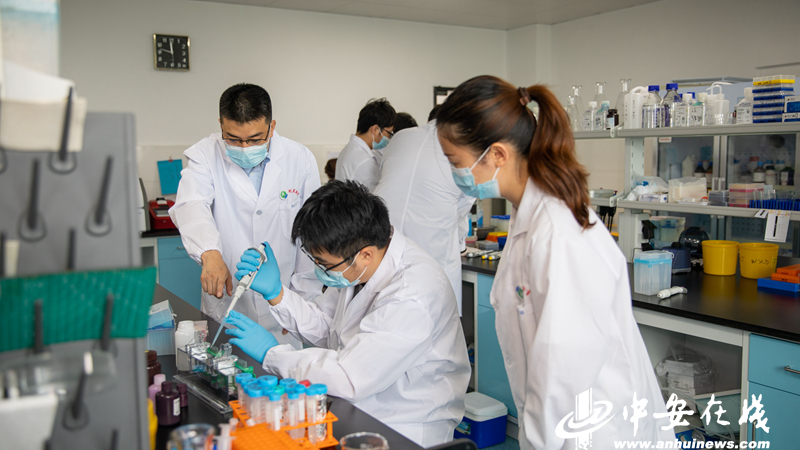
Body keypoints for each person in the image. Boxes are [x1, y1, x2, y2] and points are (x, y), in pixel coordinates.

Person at [436, 76, 675, 449]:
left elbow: (564, 376)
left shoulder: (559, 234)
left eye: (456, 162)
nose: (456, 174)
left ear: (497, 155)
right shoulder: (529, 217)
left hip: (599, 432)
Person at [223, 180, 470, 447]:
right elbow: (329, 328)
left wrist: (273, 354)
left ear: (365, 255)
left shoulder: (412, 294)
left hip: (405, 424)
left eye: (324, 264)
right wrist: (277, 294)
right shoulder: (361, 262)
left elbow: (350, 377)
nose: (320, 270)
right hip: (362, 407)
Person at [169, 83, 322, 348]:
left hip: (282, 305)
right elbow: (191, 203)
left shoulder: (300, 158)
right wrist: (209, 252)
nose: (244, 147)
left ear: (271, 127)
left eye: (255, 139)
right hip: (228, 306)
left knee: (283, 371)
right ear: (221, 125)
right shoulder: (205, 154)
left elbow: (311, 236)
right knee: (225, 369)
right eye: (233, 139)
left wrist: (299, 304)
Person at [373, 107, 473, 314]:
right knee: (435, 322)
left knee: (386, 317)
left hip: (385, 247)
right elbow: (461, 212)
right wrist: (461, 245)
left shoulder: (401, 136)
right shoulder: (463, 148)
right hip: (432, 257)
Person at [334, 98, 396, 191]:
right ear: (375, 129)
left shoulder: (351, 150)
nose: (389, 138)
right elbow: (375, 196)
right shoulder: (364, 160)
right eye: (389, 133)